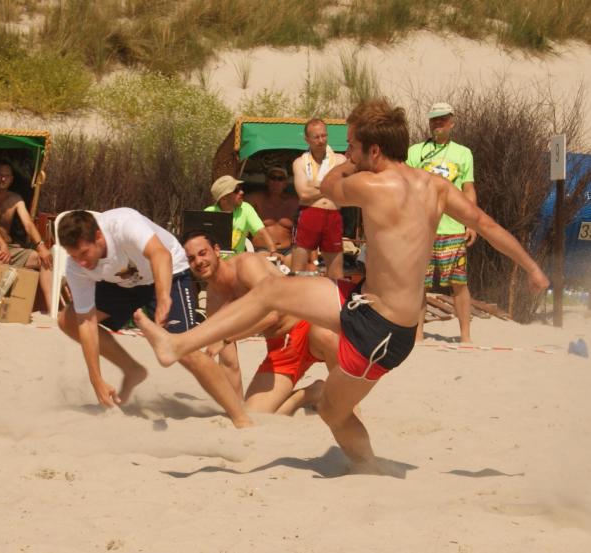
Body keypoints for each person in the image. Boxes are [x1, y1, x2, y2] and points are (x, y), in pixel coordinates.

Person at [135, 99, 548, 474]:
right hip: (362, 302)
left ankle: (369, 469)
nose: (344, 152)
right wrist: (531, 268)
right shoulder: (436, 187)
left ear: (373, 151)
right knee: (272, 289)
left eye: (350, 144)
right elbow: (487, 226)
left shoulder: (369, 184)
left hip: (384, 333)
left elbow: (325, 186)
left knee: (335, 412)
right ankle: (178, 344)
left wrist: (347, 164)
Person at [181, 231, 336, 420]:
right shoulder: (213, 302)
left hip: (308, 325)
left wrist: (227, 338)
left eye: (202, 253)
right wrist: (236, 409)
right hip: (282, 348)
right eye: (191, 258)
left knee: (328, 335)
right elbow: (229, 363)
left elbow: (273, 312)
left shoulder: (246, 264)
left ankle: (349, 406)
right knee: (254, 415)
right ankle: (312, 393)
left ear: (216, 250)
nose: (198, 261)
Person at [55, 208, 201, 409]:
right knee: (68, 320)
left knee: (187, 352)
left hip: (167, 269)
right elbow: (86, 322)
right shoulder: (76, 265)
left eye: (84, 253)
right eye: (73, 255)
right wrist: (96, 380)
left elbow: (160, 254)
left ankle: (236, 410)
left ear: (98, 237)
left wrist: (163, 296)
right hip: (127, 281)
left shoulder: (123, 224)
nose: (80, 261)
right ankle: (132, 370)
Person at [407, 102, 477, 343]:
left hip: (453, 228)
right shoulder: (415, 151)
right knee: (420, 285)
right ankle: (417, 335)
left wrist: (472, 223)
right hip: (423, 229)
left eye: (442, 119)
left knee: (459, 282)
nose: (438, 123)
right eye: (434, 119)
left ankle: (465, 336)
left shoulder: (463, 153)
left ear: (452, 121)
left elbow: (468, 189)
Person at [0, 160, 53, 305]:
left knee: (42, 258)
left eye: (7, 176)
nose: (3, 179)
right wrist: (1, 246)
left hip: (10, 248)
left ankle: (51, 308)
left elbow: (28, 224)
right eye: (0, 175)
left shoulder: (16, 199)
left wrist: (41, 247)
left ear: (12, 179)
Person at [291, 118, 347, 279]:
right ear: (307, 139)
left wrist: (315, 185)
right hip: (308, 214)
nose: (321, 141)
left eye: (324, 136)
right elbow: (303, 194)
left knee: (336, 273)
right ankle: (295, 303)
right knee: (299, 270)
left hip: (333, 215)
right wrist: (329, 186)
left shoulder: (340, 160)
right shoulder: (300, 162)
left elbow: (341, 190)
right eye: (316, 137)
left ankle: (334, 304)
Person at [203, 174, 280, 258]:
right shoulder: (209, 212)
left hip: (237, 264)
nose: (242, 192)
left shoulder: (246, 208)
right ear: (223, 198)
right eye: (236, 190)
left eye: (240, 188)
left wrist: (273, 251)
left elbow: (261, 232)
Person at [246, 168, 298, 256]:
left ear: (285, 183)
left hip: (288, 250)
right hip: (262, 249)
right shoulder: (255, 199)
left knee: (296, 260)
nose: (276, 182)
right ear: (267, 181)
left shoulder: (294, 202)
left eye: (280, 179)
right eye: (273, 178)